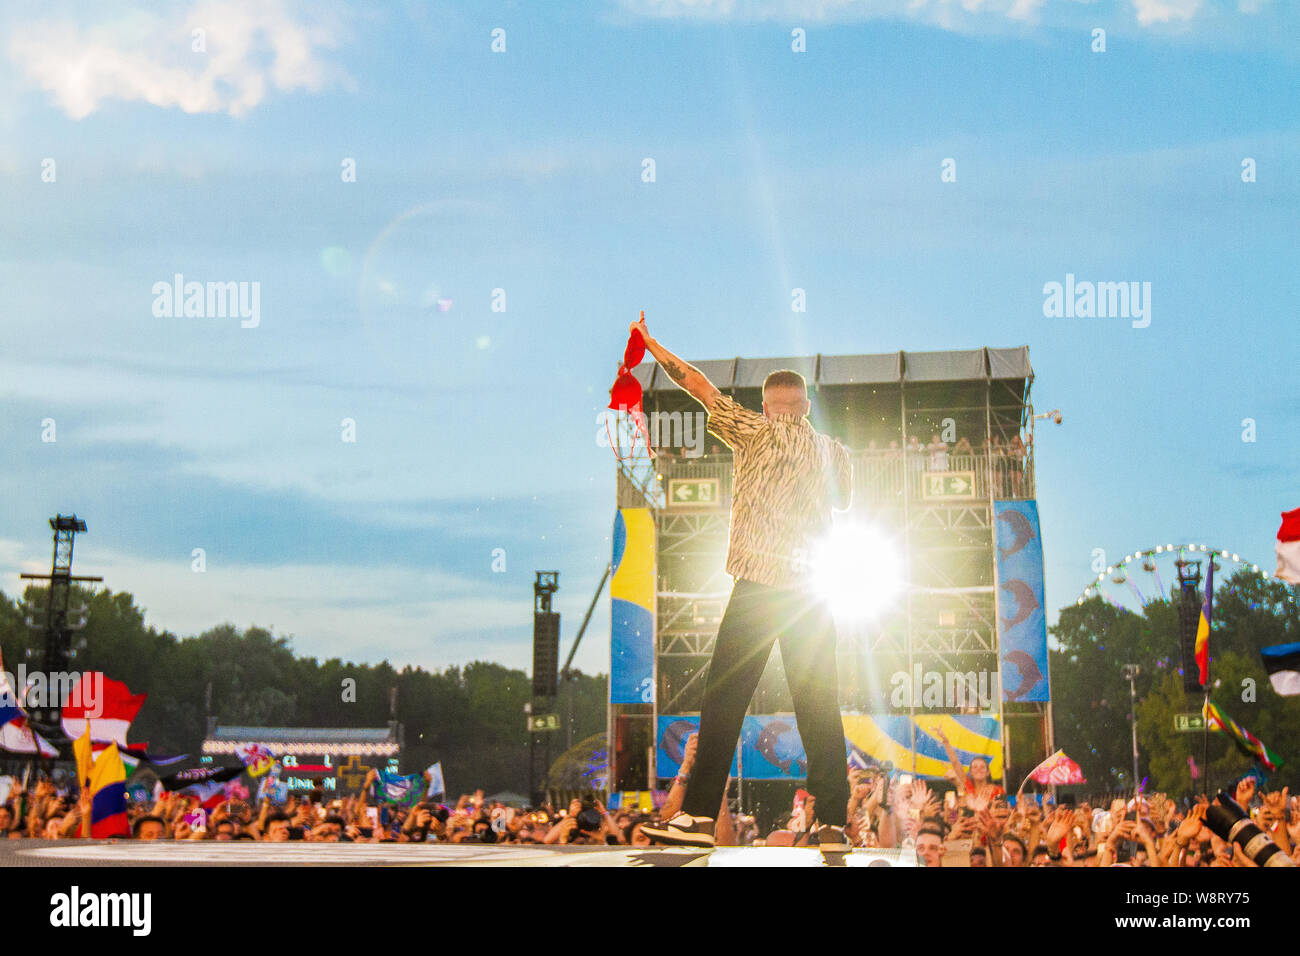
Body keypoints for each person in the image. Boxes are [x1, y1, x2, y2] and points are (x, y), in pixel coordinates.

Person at [632, 318, 852, 854]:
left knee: (724, 701)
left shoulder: (750, 430)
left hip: (757, 589)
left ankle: (700, 815)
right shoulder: (833, 451)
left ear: (765, 404)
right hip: (811, 593)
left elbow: (698, 386)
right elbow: (845, 500)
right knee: (819, 705)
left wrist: (652, 344)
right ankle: (834, 823)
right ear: (802, 406)